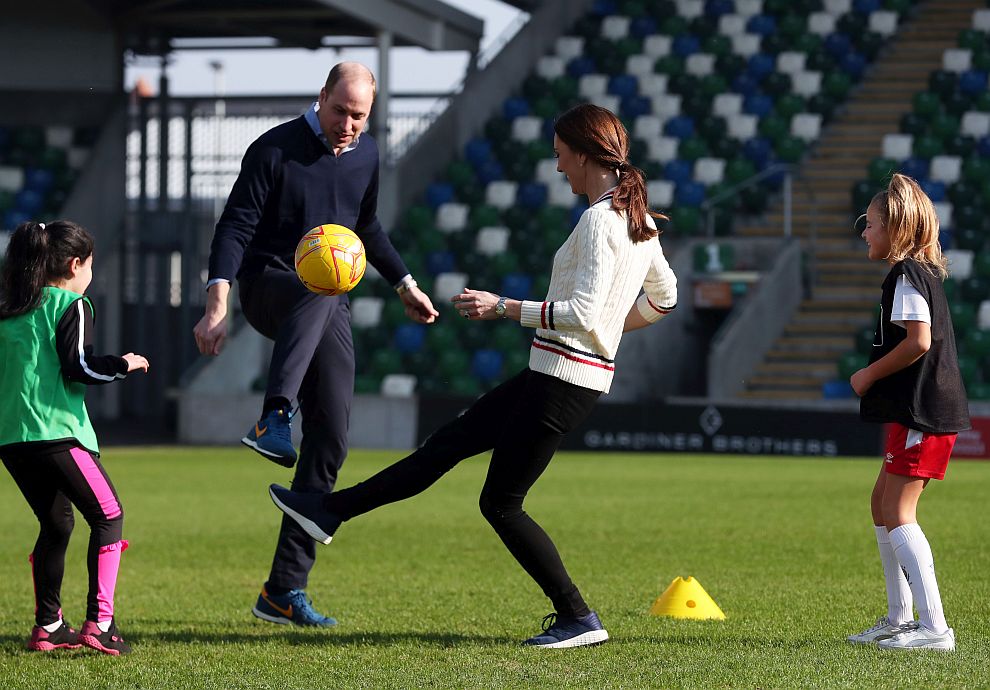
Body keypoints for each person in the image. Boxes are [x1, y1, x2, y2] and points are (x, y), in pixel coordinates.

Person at [268, 103, 678, 648]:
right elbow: (665, 299)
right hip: (556, 373)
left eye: (560, 157)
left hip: (564, 381)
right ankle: (328, 511)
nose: (558, 169)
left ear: (583, 155)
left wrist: (503, 306)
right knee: (448, 444)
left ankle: (579, 617)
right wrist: (612, 334)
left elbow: (583, 313)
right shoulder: (638, 221)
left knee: (500, 503)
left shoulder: (601, 221)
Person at [192, 62, 438, 627]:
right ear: (320, 96)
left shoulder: (368, 155)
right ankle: (273, 415)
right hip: (268, 285)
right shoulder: (274, 149)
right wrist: (217, 304)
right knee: (323, 281)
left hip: (328, 298)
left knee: (331, 439)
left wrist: (405, 283)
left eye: (360, 116)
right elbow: (233, 227)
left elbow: (367, 228)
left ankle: (283, 590)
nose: (349, 125)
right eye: (340, 111)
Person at [0, 220, 149, 656]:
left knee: (57, 523)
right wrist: (123, 364)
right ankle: (100, 624)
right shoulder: (70, 303)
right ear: (74, 263)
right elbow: (78, 366)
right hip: (57, 432)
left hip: (12, 439)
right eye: (90, 267)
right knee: (109, 515)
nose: (90, 276)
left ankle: (48, 626)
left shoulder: (9, 310)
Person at [846, 174, 969, 652]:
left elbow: (919, 342)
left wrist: (869, 374)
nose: (864, 233)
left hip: (924, 410)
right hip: (916, 410)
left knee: (898, 511)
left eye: (870, 223)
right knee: (882, 503)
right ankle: (900, 618)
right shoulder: (915, 273)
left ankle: (934, 629)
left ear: (895, 226)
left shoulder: (906, 275)